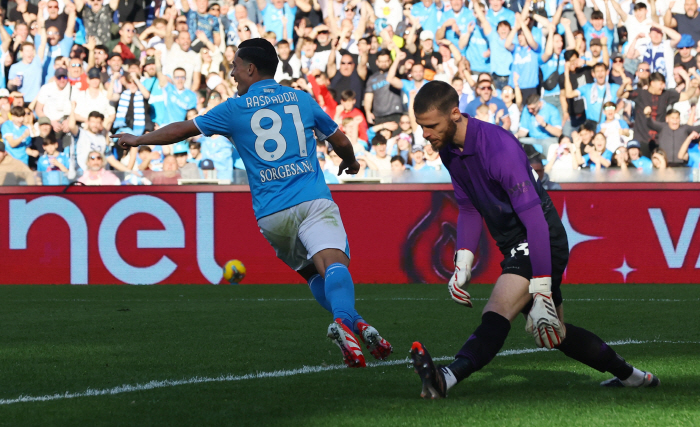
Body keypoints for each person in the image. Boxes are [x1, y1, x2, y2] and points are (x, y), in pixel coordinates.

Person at [114, 38, 392, 368]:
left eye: (234, 66)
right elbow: (341, 140)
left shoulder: (233, 109)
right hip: (311, 199)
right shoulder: (301, 99)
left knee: (312, 274)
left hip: (272, 216)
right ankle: (344, 322)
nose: (232, 73)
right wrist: (352, 162)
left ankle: (356, 324)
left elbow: (181, 131)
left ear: (251, 68)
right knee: (333, 266)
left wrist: (139, 139)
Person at [408, 80, 658, 399]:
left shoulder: (498, 148)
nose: (425, 134)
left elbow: (535, 221)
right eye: (422, 126)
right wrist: (463, 262)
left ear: (455, 114)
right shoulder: (448, 149)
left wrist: (540, 287)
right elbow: (469, 207)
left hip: (540, 238)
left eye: (431, 126)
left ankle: (445, 378)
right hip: (516, 243)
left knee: (498, 308)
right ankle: (632, 377)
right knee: (557, 334)